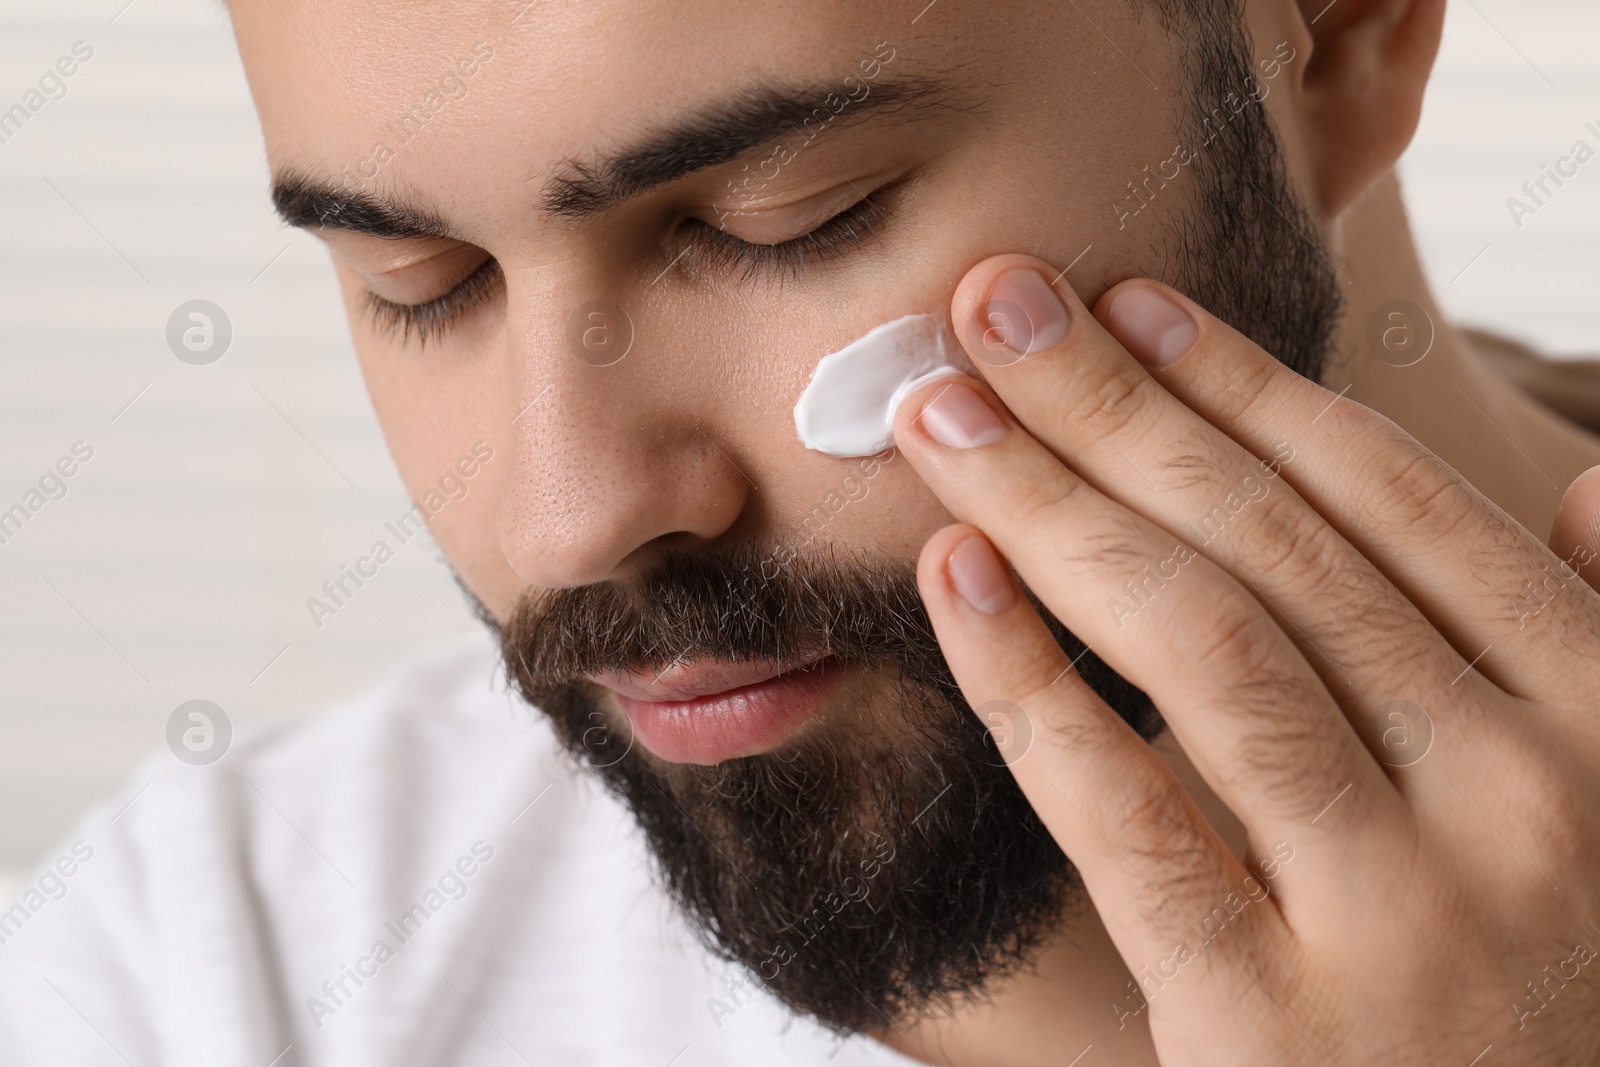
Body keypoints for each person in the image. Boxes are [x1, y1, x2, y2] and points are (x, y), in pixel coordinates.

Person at [5, 0, 1600, 1063]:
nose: (569, 520)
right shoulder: (227, 968)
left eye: (787, 219)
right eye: (419, 284)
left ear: (1336, 46)